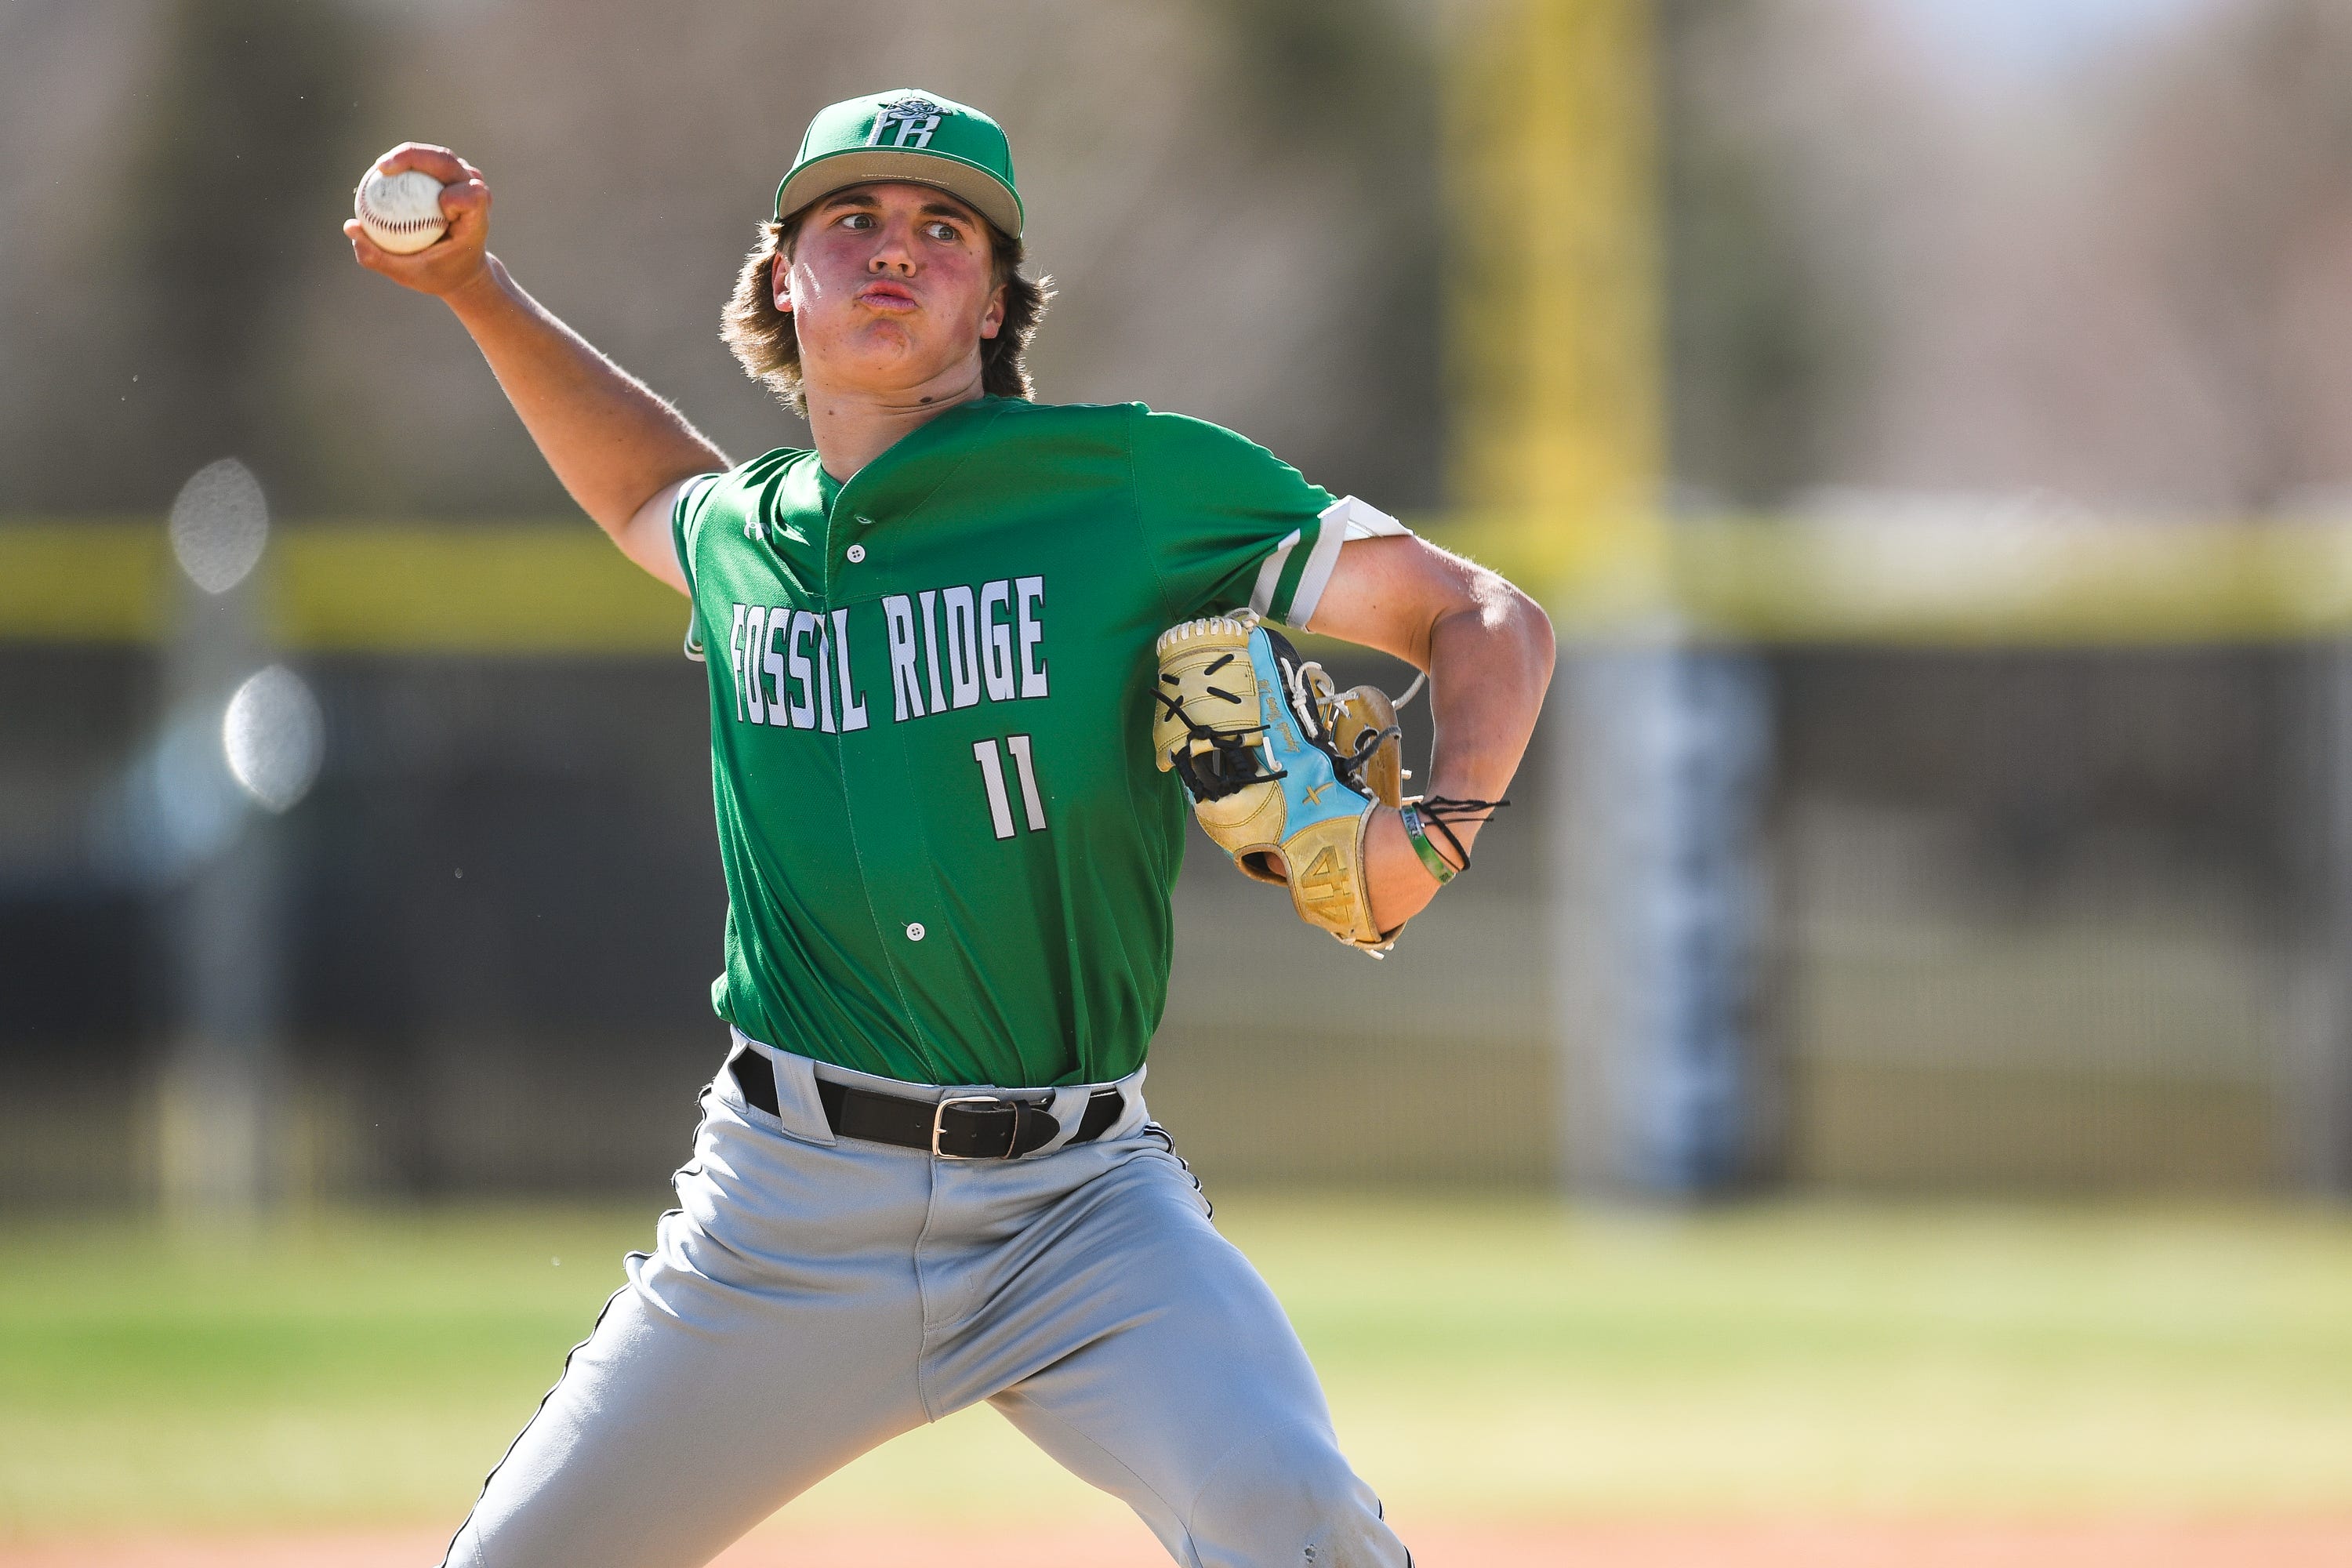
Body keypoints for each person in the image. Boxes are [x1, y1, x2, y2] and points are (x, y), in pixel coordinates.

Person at [347, 89, 1553, 1568]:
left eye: (943, 228)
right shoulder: (750, 540)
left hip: (1078, 1209)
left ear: (997, 297)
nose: (894, 251)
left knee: (1289, 1517)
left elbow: (1482, 615)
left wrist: (1437, 828)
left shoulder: (1121, 485)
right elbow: (650, 485)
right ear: (782, 280)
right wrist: (474, 287)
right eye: (849, 221)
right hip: (781, 1214)